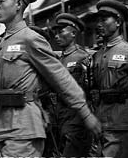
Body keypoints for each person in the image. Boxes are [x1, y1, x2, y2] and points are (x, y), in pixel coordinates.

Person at [0, 0, 101, 157]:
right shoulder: (4, 42)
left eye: (2, 0)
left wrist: (85, 112)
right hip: (4, 124)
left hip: (24, 126)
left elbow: (60, 77)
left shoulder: (30, 39)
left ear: (18, 4)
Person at [92, 0, 128, 158]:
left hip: (122, 123)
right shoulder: (98, 55)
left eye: (104, 19)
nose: (99, 24)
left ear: (118, 22)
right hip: (102, 122)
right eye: (98, 20)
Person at [52, 13, 93, 157]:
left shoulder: (83, 57)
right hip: (60, 115)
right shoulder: (58, 59)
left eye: (61, 31)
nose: (57, 36)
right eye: (55, 32)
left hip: (76, 117)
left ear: (73, 33)